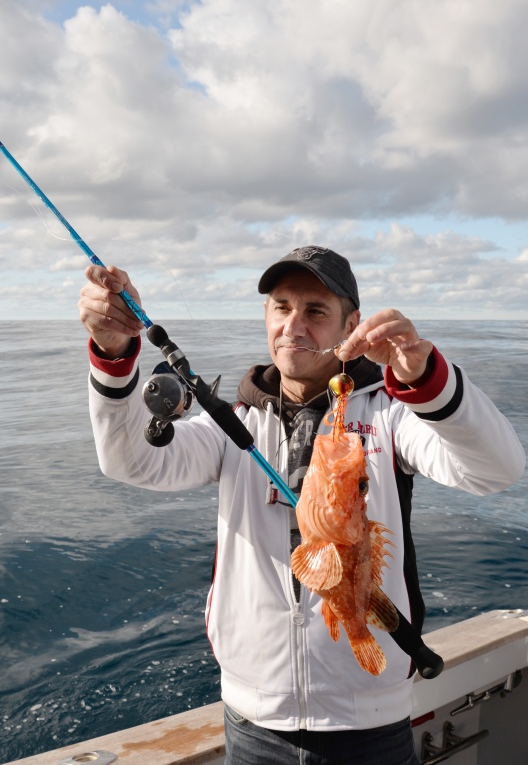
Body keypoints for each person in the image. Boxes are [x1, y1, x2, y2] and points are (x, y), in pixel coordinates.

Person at [77, 245, 525, 765]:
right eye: (282, 307)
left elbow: (497, 470)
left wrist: (426, 379)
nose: (294, 325)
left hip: (372, 724)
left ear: (350, 325)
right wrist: (112, 356)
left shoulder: (392, 415)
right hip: (252, 721)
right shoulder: (232, 424)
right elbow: (130, 461)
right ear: (266, 316)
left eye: (316, 312)